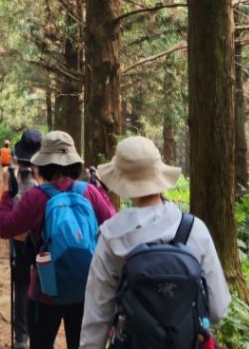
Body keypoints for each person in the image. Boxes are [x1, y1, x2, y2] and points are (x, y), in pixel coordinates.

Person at [79, 136, 231, 349]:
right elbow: (218, 309)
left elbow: (96, 317)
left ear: (121, 181)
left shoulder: (112, 237)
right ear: (159, 174)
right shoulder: (194, 229)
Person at [0, 130, 115, 349]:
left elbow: (5, 228)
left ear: (43, 163)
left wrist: (7, 190)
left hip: (44, 292)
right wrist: (100, 190)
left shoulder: (37, 197)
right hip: (84, 292)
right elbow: (114, 225)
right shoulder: (89, 192)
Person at [7, 128, 44, 349]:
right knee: (39, 283)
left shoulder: (13, 175)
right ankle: (35, 333)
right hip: (41, 239)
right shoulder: (43, 178)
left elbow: (6, 207)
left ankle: (22, 335)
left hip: (19, 238)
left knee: (21, 285)